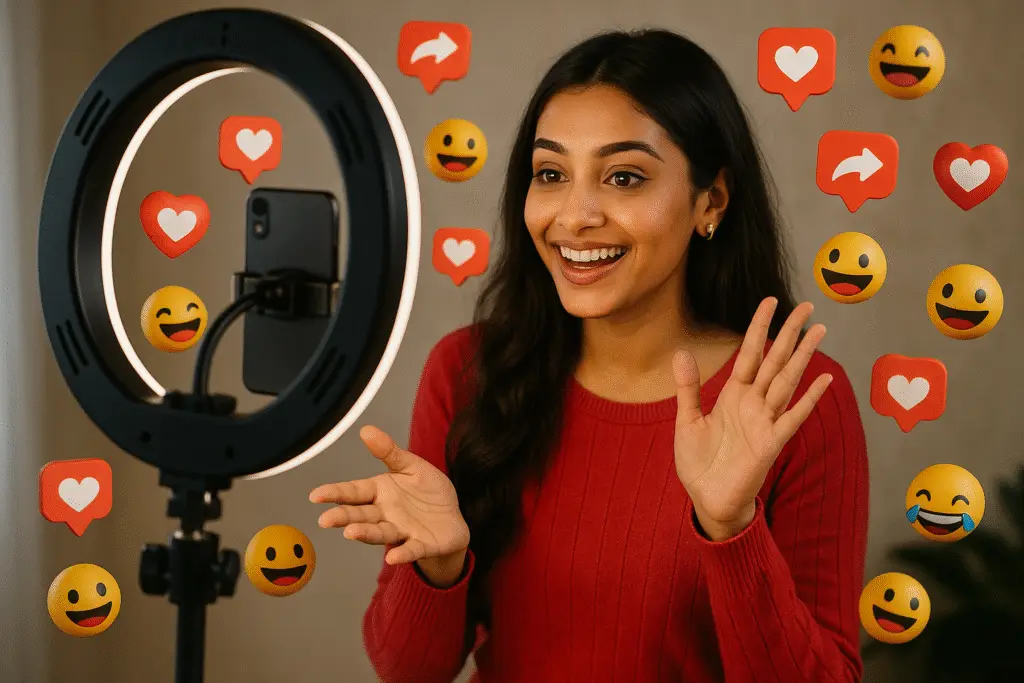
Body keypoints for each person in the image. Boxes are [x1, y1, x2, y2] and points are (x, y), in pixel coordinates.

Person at [310, 28, 868, 683]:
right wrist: (438, 565)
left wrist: (731, 528)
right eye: (550, 174)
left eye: (624, 177)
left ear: (710, 200)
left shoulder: (793, 398)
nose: (574, 216)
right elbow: (409, 670)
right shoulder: (466, 373)